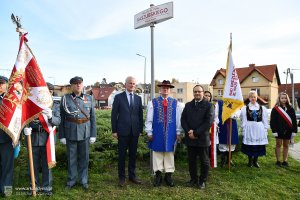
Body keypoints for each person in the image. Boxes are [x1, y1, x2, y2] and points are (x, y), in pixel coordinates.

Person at [59, 76, 96, 190]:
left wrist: (93, 134)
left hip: (85, 132)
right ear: (71, 86)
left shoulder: (89, 98)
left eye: (80, 83)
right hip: (70, 132)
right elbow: (62, 118)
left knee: (84, 158)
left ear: (83, 84)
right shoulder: (65, 99)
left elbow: (93, 118)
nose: (78, 85)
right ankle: (71, 181)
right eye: (75, 83)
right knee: (72, 159)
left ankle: (84, 180)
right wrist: (62, 135)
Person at [23, 82, 60, 196]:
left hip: (47, 138)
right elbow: (24, 117)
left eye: (51, 91)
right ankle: (34, 187)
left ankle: (47, 189)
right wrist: (25, 129)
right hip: (33, 137)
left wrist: (50, 116)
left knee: (47, 166)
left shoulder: (55, 105)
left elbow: (58, 121)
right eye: (46, 90)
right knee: (32, 165)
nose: (49, 92)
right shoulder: (32, 103)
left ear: (52, 92)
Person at [145, 80, 184, 187]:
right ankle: (158, 175)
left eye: (167, 88)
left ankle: (168, 175)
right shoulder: (153, 102)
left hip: (171, 132)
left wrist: (178, 132)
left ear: (170, 90)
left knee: (169, 153)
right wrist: (149, 131)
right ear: (160, 90)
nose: (165, 89)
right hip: (157, 132)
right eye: (163, 88)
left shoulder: (176, 103)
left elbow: (178, 119)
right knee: (157, 152)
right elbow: (149, 119)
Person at [111, 76, 143, 187]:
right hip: (122, 131)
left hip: (135, 132)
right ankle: (121, 177)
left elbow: (140, 115)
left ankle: (132, 176)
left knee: (133, 155)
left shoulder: (138, 98)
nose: (132, 85)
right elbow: (114, 114)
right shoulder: (118, 97)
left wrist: (140, 129)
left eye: (134, 83)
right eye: (130, 83)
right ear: (125, 84)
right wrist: (114, 130)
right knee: (122, 155)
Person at [181, 85, 214, 189]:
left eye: (199, 92)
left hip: (202, 138)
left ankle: (202, 181)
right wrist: (189, 132)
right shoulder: (188, 105)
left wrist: (195, 133)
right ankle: (193, 179)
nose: (197, 93)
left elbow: (208, 122)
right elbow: (183, 120)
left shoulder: (209, 105)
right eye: (195, 92)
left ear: (203, 93)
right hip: (190, 138)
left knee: (204, 161)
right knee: (191, 161)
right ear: (193, 93)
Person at [240, 91, 269, 168]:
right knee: (250, 145)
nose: (253, 98)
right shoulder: (245, 108)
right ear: (249, 98)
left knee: (257, 144)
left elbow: (264, 119)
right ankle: (250, 161)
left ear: (257, 98)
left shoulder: (262, 108)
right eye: (251, 97)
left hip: (259, 128)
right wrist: (243, 129)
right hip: (249, 127)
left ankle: (255, 161)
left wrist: (265, 129)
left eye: (254, 97)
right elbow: (244, 120)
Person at [270, 92, 297, 167]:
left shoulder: (291, 109)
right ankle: (278, 160)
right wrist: (274, 130)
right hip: (278, 130)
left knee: (286, 145)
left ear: (287, 99)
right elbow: (272, 121)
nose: (284, 99)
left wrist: (294, 131)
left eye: (285, 98)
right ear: (279, 99)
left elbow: (294, 120)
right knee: (278, 145)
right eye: (282, 98)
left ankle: (285, 161)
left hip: (288, 130)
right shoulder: (275, 109)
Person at [0, 76, 14, 197]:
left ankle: (7, 190)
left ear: (7, 86)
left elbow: (17, 120)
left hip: (7, 138)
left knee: (7, 166)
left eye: (2, 83)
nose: (0, 85)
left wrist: (17, 138)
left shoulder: (12, 100)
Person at [217, 100, 239, 168]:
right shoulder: (219, 103)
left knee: (232, 142)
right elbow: (216, 114)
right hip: (222, 124)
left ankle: (229, 160)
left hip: (232, 124)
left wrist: (232, 114)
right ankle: (223, 160)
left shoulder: (235, 101)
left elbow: (238, 114)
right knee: (223, 141)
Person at [203, 91, 219, 168]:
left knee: (210, 144)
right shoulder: (200, 105)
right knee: (203, 144)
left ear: (210, 97)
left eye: (208, 96)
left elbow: (216, 117)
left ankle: (209, 160)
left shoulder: (213, 106)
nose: (207, 97)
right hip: (202, 128)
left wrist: (216, 124)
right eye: (205, 95)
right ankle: (203, 159)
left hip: (211, 127)